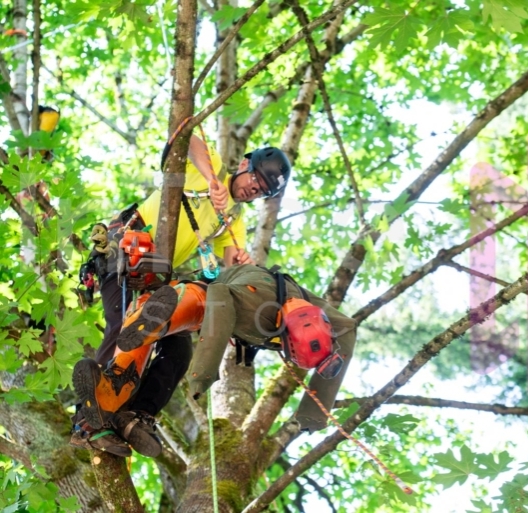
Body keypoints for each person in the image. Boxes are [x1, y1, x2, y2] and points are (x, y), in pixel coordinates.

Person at [70, 141, 292, 457]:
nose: (252, 191)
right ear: (244, 165)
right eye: (255, 182)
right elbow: (187, 138)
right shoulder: (210, 165)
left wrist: (240, 263)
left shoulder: (233, 218)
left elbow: (228, 265)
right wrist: (212, 180)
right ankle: (88, 423)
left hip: (154, 278)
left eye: (261, 192)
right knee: (125, 327)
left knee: (178, 346)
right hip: (127, 252)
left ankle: (136, 415)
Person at [76, 262, 356, 452]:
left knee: (178, 352)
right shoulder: (255, 307)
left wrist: (315, 412)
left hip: (231, 293)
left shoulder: (323, 318)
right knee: (197, 304)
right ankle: (151, 325)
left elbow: (348, 329)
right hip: (216, 294)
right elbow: (221, 302)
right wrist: (204, 372)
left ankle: (134, 412)